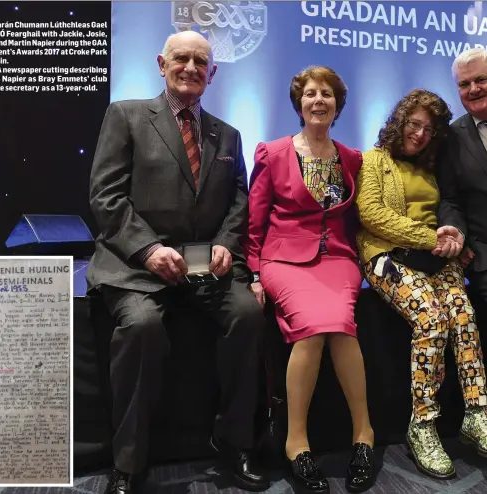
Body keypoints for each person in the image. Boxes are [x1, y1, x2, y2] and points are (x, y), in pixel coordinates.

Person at [86, 31, 269, 494]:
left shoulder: (227, 133)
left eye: (200, 61)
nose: (190, 67)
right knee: (142, 327)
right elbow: (106, 197)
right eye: (181, 59)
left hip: (206, 267)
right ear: (161, 63)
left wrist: (228, 242)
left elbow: (238, 201)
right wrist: (148, 250)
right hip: (135, 266)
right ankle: (129, 460)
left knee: (248, 315)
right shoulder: (125, 115)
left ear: (213, 72)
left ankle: (234, 440)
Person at [246, 66, 375, 494]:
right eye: (311, 94)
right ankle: (295, 441)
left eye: (327, 94)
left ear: (337, 105)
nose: (319, 100)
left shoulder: (352, 158)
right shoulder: (273, 153)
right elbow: (255, 220)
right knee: (314, 329)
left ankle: (364, 435)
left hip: (337, 259)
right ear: (299, 103)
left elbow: (358, 219)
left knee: (340, 324)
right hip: (283, 259)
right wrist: (254, 272)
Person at [355, 88, 487, 480]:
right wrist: (432, 238)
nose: (420, 134)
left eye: (430, 129)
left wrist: (453, 239)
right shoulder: (374, 160)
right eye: (414, 124)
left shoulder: (432, 166)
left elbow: (449, 209)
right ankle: (423, 425)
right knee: (431, 319)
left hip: (436, 258)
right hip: (387, 257)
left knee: (463, 316)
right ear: (400, 122)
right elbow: (372, 214)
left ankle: (477, 414)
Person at [437, 47, 487, 350]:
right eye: (464, 84)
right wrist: (458, 234)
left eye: (480, 80)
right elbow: (450, 200)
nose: (473, 89)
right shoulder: (451, 138)